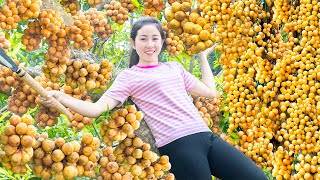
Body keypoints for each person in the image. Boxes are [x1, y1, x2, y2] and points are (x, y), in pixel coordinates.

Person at [41, 16, 268, 180]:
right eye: (143, 39)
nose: (150, 45)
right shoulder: (129, 77)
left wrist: (202, 58)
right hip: (178, 146)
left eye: (155, 39)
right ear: (133, 43)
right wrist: (61, 97)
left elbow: (211, 91)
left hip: (207, 137)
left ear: (161, 42)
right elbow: (97, 109)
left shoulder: (174, 67)